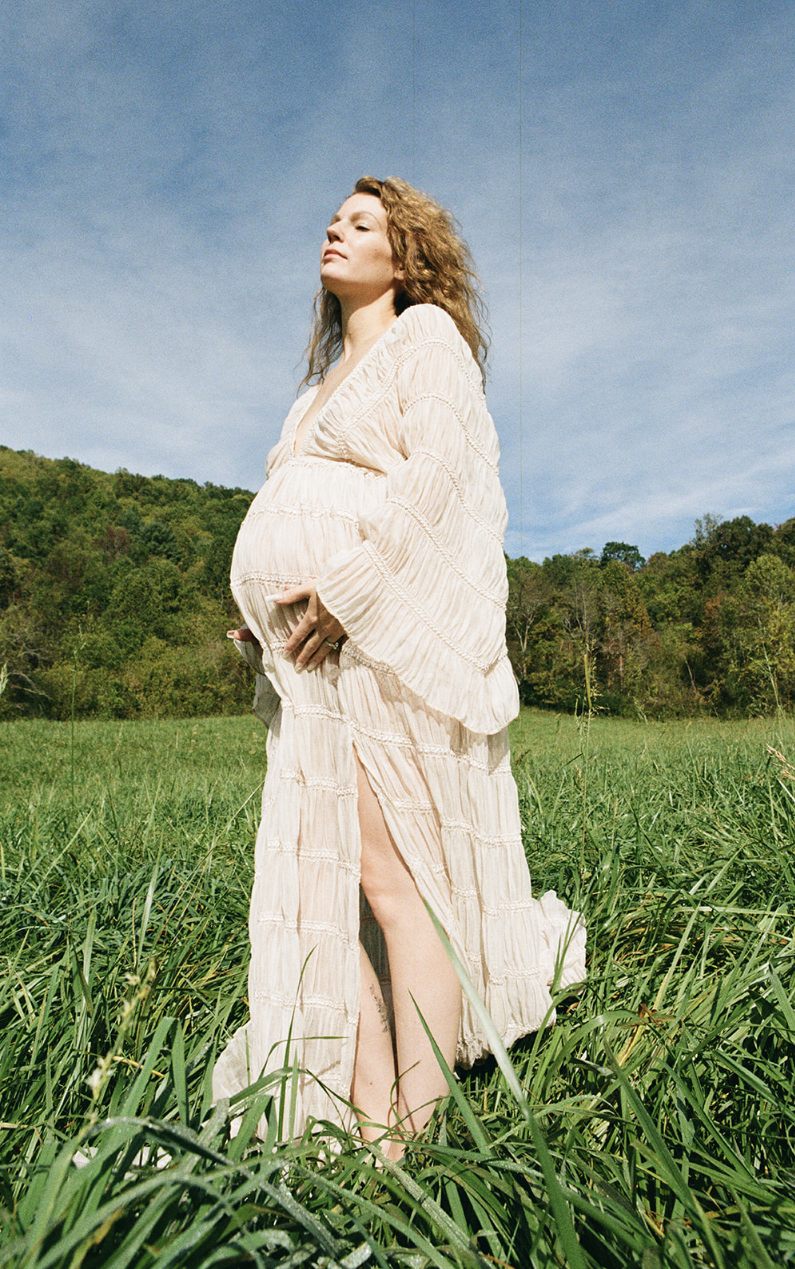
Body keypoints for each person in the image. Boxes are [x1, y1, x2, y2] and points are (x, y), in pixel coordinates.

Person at [213, 176, 585, 1158]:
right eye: (334, 219)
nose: (336, 230)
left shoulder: (425, 341)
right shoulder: (315, 389)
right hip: (308, 663)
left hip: (371, 637)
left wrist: (353, 589)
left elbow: (443, 481)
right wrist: (263, 612)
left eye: (363, 222)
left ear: (405, 254)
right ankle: (375, 1102)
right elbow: (297, 497)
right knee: (333, 888)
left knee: (392, 878)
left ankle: (414, 1131)